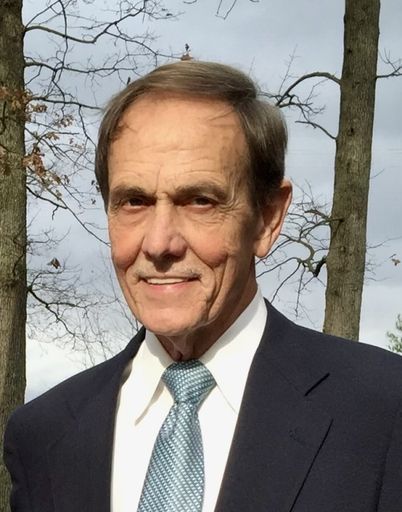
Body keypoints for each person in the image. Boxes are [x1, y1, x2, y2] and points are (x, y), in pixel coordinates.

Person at [4, 60, 402, 512]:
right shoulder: (45, 437)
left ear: (268, 218)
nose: (159, 244)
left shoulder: (382, 414)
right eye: (134, 201)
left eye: (199, 201)